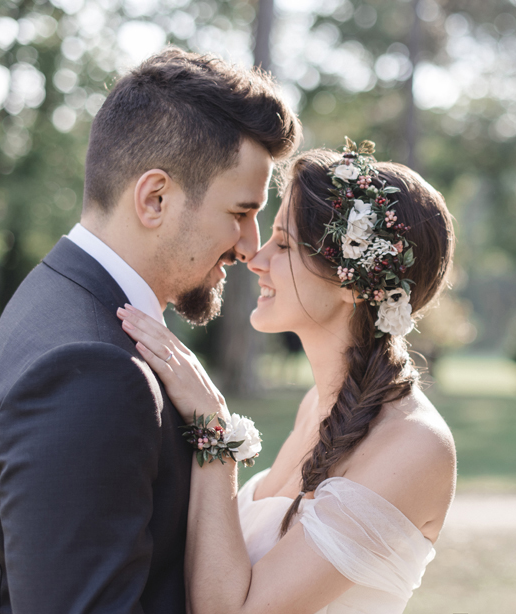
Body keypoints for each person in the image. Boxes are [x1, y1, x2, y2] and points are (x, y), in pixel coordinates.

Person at [0, 48, 300, 613]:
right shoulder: (93, 373)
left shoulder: (51, 296)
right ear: (154, 198)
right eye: (239, 213)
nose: (249, 247)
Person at [116, 140, 457, 613]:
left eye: (284, 243)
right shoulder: (315, 406)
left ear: (352, 283)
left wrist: (215, 431)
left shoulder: (414, 447)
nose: (256, 259)